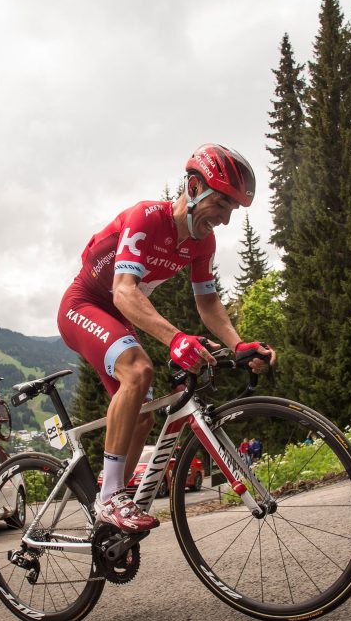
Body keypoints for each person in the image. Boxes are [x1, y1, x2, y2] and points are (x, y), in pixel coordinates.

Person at [58, 143, 276, 533]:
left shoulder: (202, 243)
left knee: (142, 413)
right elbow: (124, 291)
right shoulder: (147, 217)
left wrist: (237, 344)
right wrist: (176, 338)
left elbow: (207, 302)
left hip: (119, 315)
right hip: (84, 306)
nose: (225, 220)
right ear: (194, 188)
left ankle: (109, 508)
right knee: (140, 370)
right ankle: (110, 498)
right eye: (222, 205)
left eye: (232, 211)